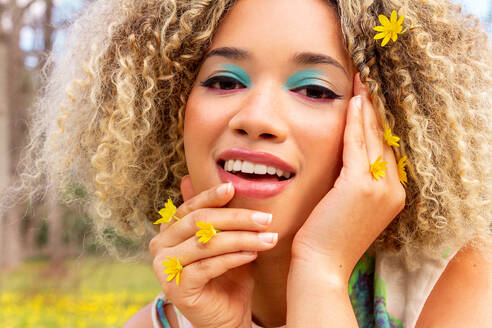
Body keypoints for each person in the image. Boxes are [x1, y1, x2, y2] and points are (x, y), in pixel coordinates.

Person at [4, 0, 492, 327]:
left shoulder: (461, 279)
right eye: (223, 81)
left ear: (389, 124)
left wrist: (320, 271)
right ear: (171, 111)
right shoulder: (167, 318)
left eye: (315, 90)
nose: (256, 118)